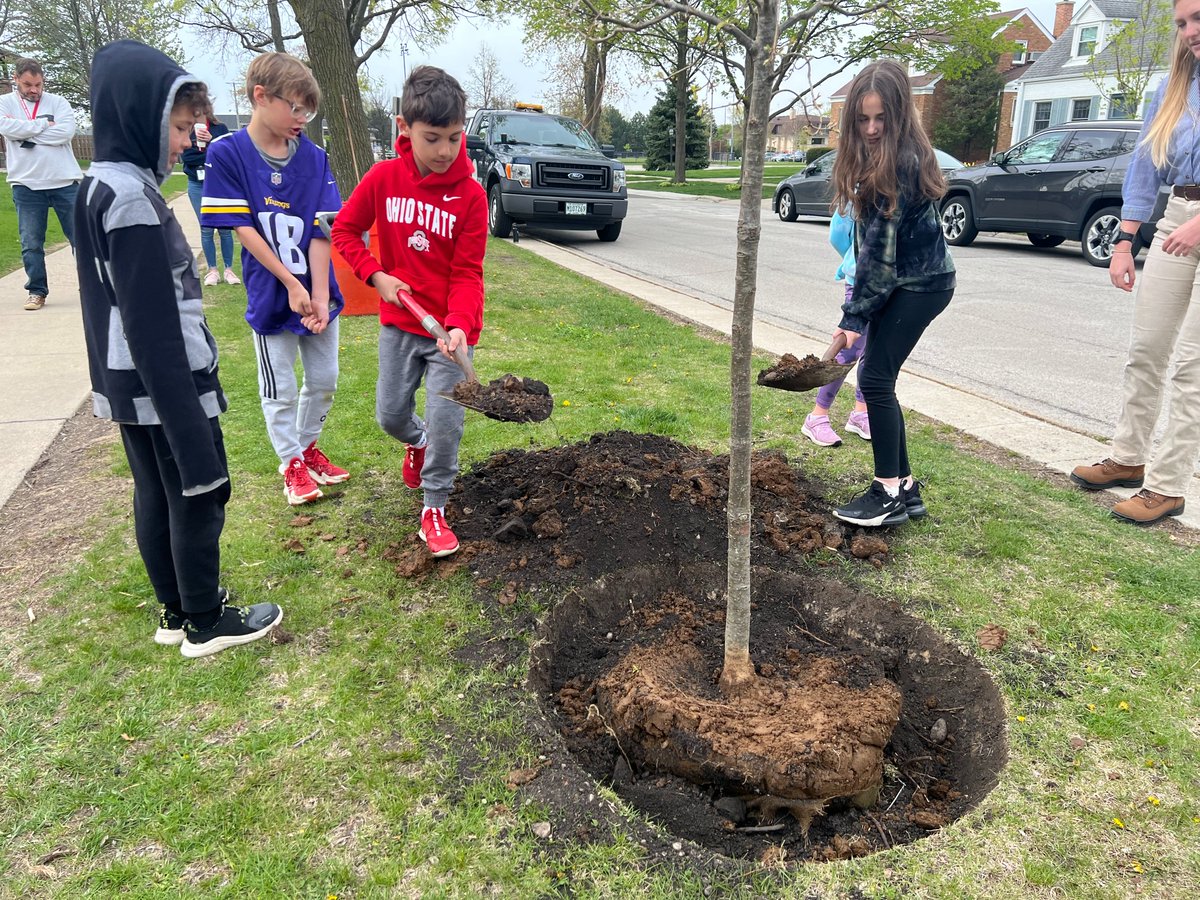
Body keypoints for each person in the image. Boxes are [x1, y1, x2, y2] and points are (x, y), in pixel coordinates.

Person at [75, 40, 282, 657]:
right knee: (197, 490)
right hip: (164, 381)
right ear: (136, 114)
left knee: (155, 493)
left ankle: (173, 609)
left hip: (125, 384)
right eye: (179, 125)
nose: (186, 141)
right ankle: (205, 619)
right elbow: (151, 325)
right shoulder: (135, 202)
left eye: (193, 127)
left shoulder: (98, 186)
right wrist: (186, 416)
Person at [331, 65, 487, 558]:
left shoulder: (472, 197)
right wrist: (376, 277)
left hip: (448, 336)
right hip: (400, 324)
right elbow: (344, 233)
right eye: (433, 138)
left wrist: (460, 326)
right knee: (391, 415)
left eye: (455, 137)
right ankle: (414, 441)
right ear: (404, 128)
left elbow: (467, 273)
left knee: (447, 422)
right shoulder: (383, 178)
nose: (445, 151)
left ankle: (435, 506)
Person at [1071, 0, 1200, 525]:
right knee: (1146, 349)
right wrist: (1125, 242)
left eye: (1199, 18)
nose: (1190, 32)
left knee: (1194, 366)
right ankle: (1128, 457)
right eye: (1182, 23)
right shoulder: (1173, 89)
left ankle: (1167, 487)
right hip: (1177, 217)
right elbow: (1145, 168)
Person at [201, 52, 349, 506]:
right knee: (280, 386)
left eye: (310, 111)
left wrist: (319, 294)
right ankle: (290, 464)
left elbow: (324, 227)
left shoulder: (316, 158)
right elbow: (243, 229)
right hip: (272, 294)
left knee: (324, 378)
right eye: (296, 108)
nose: (303, 119)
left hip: (317, 290)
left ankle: (306, 447)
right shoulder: (227, 153)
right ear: (261, 97)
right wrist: (290, 283)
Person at [827, 60, 956, 527]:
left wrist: (852, 318)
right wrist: (856, 315)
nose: (873, 127)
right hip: (903, 284)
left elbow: (878, 260)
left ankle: (885, 494)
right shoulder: (873, 157)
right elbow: (869, 253)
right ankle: (904, 486)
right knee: (880, 378)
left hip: (919, 286)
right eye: (862, 119)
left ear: (900, 114)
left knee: (875, 380)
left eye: (882, 118)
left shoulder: (900, 163)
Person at [0, 58, 83, 311]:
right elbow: (6, 127)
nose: (34, 90)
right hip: (26, 183)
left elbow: (66, 133)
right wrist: (44, 124)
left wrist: (24, 131)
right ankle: (37, 291)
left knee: (82, 239)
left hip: (65, 181)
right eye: (28, 84)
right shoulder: (5, 103)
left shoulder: (58, 102)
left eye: (38, 84)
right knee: (31, 243)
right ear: (16, 79)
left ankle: (92, 286)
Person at [802, 206, 871, 447]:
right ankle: (817, 416)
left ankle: (860, 413)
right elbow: (838, 236)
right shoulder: (856, 191)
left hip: (888, 285)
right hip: (860, 281)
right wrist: (853, 259)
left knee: (871, 351)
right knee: (850, 350)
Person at [180, 107, 239, 286]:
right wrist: (208, 153)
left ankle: (229, 269)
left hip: (219, 185)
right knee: (206, 228)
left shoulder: (219, 129)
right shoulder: (186, 129)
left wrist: (211, 142)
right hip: (196, 184)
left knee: (225, 228)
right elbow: (187, 158)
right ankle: (212, 270)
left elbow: (228, 155)